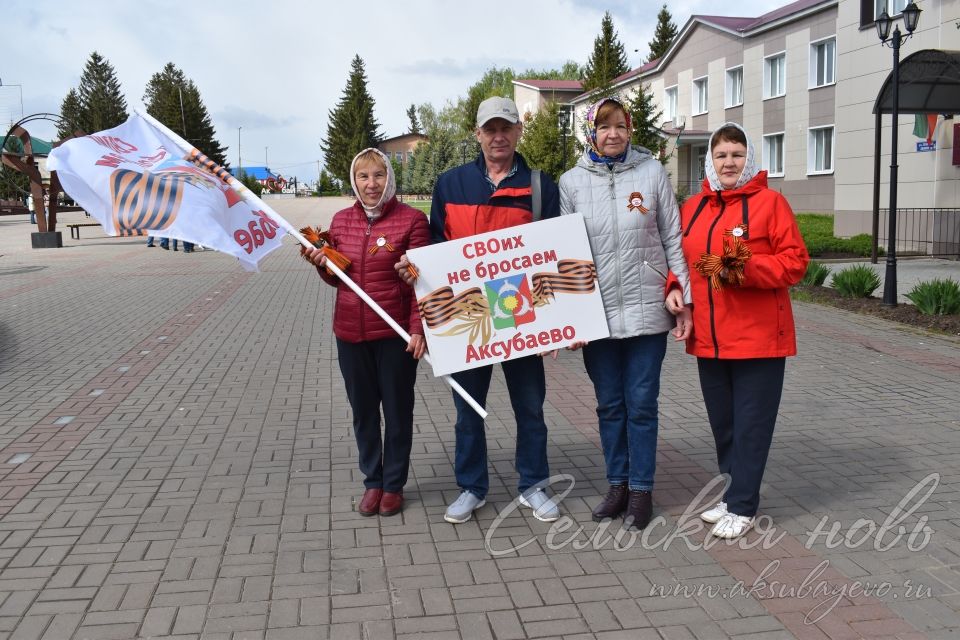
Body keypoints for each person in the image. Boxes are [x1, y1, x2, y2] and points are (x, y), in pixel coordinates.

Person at [396, 97, 562, 524]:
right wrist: (417, 269)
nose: (498, 136)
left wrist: (557, 323)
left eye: (505, 127)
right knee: (468, 409)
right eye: (490, 129)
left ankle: (534, 485)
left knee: (530, 407)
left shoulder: (542, 185)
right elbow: (434, 248)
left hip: (520, 316)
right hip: (469, 319)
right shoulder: (450, 184)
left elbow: (551, 255)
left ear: (519, 130)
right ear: (478, 134)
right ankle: (472, 487)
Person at [558, 97, 692, 530]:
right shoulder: (572, 182)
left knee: (641, 405)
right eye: (603, 126)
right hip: (596, 317)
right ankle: (616, 485)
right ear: (590, 132)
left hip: (647, 311)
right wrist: (573, 317)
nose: (612, 133)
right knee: (609, 406)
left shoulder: (651, 173)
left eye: (620, 125)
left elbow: (673, 236)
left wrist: (682, 295)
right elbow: (565, 255)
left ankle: (641, 491)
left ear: (630, 128)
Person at [669, 122, 808, 539]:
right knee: (724, 424)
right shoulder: (693, 207)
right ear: (709, 161)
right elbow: (680, 260)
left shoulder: (771, 204)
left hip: (758, 338)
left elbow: (796, 262)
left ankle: (744, 505)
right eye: (721, 155)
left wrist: (742, 269)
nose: (729, 162)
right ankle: (732, 494)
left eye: (737, 154)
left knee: (751, 425)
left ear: (750, 159)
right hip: (709, 339)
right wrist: (673, 288)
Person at [303, 148, 429, 517]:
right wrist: (322, 266)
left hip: (394, 335)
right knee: (363, 411)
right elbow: (338, 279)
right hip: (350, 333)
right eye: (363, 177)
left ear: (389, 177)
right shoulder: (341, 221)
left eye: (378, 175)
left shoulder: (412, 221)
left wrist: (418, 329)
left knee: (397, 409)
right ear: (354, 181)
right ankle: (372, 480)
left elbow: (424, 283)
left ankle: (393, 484)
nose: (371, 184)